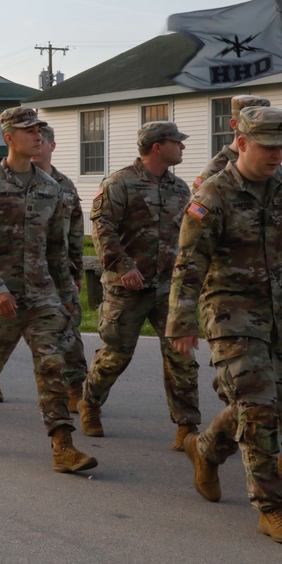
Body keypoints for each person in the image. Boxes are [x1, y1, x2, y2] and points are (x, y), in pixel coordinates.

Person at [0, 107, 95, 474]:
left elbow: (56, 248)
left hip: (42, 295)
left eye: (38, 130)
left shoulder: (51, 189)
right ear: (8, 138)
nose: (36, 135)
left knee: (53, 365)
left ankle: (63, 445)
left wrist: (66, 292)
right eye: (27, 130)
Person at [168, 105, 282, 543]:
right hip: (231, 311)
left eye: (281, 147)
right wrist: (181, 321)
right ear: (243, 142)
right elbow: (188, 264)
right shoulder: (212, 196)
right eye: (268, 146)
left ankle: (207, 448)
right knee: (258, 407)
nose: (275, 155)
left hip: (277, 312)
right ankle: (271, 507)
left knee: (269, 403)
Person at [80, 121, 200, 451]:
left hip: (168, 289)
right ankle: (90, 403)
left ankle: (186, 427)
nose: (183, 147)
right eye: (178, 142)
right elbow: (102, 228)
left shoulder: (179, 189)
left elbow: (188, 235)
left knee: (182, 358)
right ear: (158, 146)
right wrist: (123, 266)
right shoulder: (120, 183)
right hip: (127, 288)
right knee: (115, 356)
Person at [0, 124, 86, 410]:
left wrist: (74, 273)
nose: (37, 143)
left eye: (43, 140)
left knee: (67, 334)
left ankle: (75, 390)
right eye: (32, 137)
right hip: (9, 278)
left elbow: (74, 233)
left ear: (52, 147)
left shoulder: (63, 186)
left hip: (52, 278)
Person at [192, 95, 271, 192]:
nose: (259, 128)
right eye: (250, 122)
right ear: (234, 124)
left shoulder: (271, 166)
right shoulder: (212, 172)